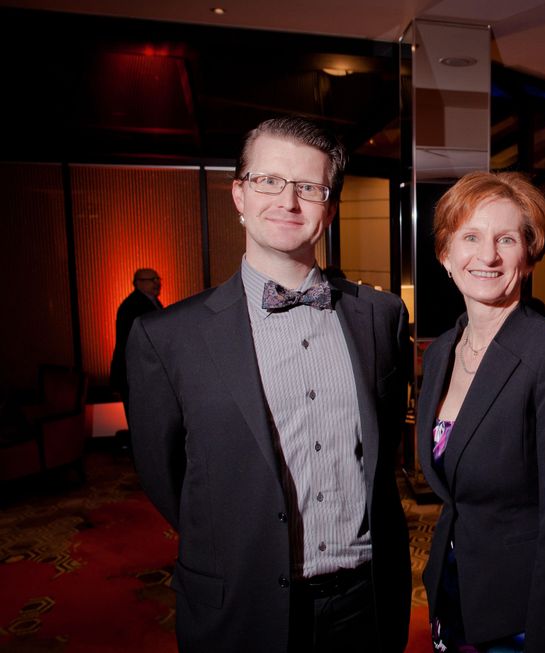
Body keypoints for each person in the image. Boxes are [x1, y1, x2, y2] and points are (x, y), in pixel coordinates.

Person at [127, 116, 412, 652]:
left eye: (309, 187)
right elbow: (166, 478)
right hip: (240, 603)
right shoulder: (167, 336)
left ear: (330, 206)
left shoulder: (380, 316)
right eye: (268, 181)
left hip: (364, 602)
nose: (289, 201)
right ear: (239, 193)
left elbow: (383, 444)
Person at [416, 171, 545, 652]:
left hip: (520, 616)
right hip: (452, 592)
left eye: (507, 239)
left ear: (529, 256)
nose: (488, 255)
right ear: (445, 254)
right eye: (470, 236)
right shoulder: (441, 353)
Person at [109, 268, 162, 409]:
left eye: (157, 279)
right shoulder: (134, 306)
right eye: (152, 280)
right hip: (139, 373)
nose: (157, 283)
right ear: (138, 283)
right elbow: (129, 343)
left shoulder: (150, 302)